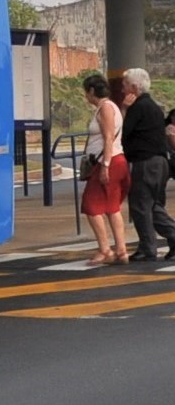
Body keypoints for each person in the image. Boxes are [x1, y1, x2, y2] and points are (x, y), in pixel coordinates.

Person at [116, 66, 175, 261]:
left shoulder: (138, 108)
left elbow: (122, 132)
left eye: (124, 86)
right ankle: (172, 236)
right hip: (160, 162)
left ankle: (148, 248)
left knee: (140, 205)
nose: (122, 90)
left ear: (134, 87)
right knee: (153, 205)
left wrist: (123, 109)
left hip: (145, 162)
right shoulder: (154, 106)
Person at [79, 73, 129, 267]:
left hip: (108, 162)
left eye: (86, 92)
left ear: (92, 91)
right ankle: (121, 249)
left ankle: (105, 249)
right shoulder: (112, 107)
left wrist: (105, 166)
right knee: (112, 206)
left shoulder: (105, 108)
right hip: (115, 160)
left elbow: (108, 138)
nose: (85, 96)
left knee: (91, 206)